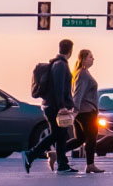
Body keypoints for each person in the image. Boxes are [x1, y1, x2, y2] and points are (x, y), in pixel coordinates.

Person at [23, 39, 78, 174]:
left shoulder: (58, 63)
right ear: (70, 51)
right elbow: (58, 88)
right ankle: (30, 154)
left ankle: (63, 164)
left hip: (52, 105)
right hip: (55, 106)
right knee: (57, 134)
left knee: (61, 135)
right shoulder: (60, 65)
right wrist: (62, 106)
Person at [63, 49, 103, 173]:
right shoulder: (83, 74)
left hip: (83, 111)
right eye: (90, 57)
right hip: (85, 112)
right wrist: (75, 111)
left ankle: (56, 153)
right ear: (84, 59)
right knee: (91, 137)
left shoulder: (81, 72)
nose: (93, 59)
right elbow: (78, 94)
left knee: (80, 139)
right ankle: (90, 164)